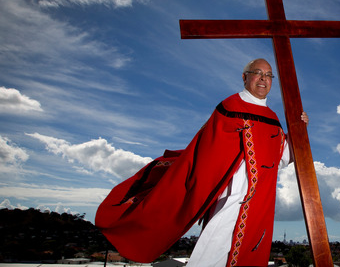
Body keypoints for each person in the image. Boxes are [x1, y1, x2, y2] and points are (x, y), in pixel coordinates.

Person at [95, 58, 307, 266]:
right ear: (245, 77)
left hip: (260, 200)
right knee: (215, 248)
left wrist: (299, 130)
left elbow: (280, 158)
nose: (263, 78)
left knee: (249, 251)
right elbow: (207, 152)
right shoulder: (230, 107)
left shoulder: (272, 117)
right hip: (230, 195)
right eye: (258, 73)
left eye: (269, 75)